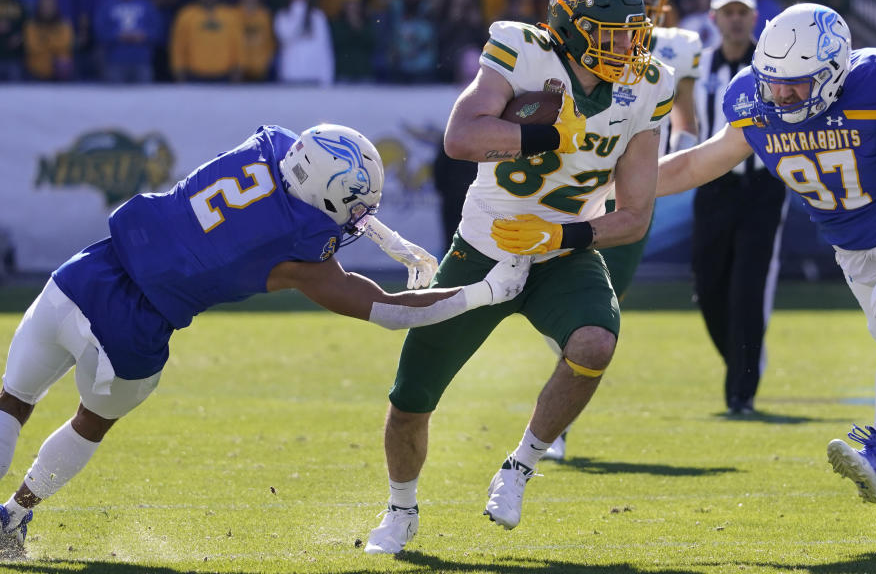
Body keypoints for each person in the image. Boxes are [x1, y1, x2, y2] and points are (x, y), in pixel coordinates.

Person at [0, 123, 531, 552]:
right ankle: (14, 515)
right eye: (356, 206)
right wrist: (488, 291)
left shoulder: (275, 146)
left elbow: (299, 186)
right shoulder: (300, 253)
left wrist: (391, 240)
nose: (359, 218)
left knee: (11, 400)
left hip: (86, 271)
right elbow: (391, 312)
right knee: (91, 422)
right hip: (135, 330)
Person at [364, 0, 675, 554]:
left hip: (559, 251)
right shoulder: (522, 49)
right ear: (572, 27)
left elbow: (634, 215)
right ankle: (400, 510)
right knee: (411, 399)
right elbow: (460, 137)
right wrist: (545, 135)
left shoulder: (650, 84)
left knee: (595, 344)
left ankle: (520, 466)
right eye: (612, 34)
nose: (629, 47)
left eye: (633, 33)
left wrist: (561, 240)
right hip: (484, 246)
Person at [656, 2, 876, 505]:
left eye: (799, 81)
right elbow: (694, 167)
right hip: (855, 254)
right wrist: (615, 187)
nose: (783, 93)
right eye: (774, 80)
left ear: (837, 69)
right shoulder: (753, 101)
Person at [543, 0, 703, 461]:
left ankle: (556, 418)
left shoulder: (673, 50)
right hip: (580, 186)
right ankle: (556, 423)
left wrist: (672, 158)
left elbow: (687, 120)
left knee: (605, 305)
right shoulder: (572, 46)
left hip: (627, 191)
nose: (642, 8)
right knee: (561, 299)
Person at [688, 0, 788, 416]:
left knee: (748, 288)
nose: (734, 18)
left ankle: (741, 393)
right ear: (714, 17)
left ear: (754, 16)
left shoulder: (772, 70)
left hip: (761, 187)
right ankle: (740, 363)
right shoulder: (697, 69)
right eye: (726, 11)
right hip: (712, 187)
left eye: (741, 11)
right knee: (708, 287)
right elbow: (683, 127)